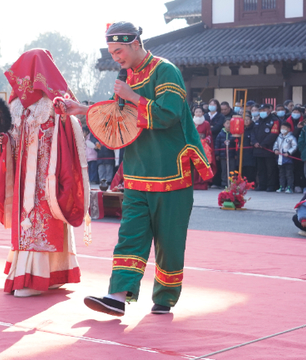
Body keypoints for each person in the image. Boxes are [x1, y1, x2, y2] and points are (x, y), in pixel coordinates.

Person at [66, 22, 212, 316]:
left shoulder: (165, 70)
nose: (115, 57)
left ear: (135, 43)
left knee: (169, 241)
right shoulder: (127, 77)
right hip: (135, 171)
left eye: (118, 50)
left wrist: (132, 96)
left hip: (170, 171)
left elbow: (169, 114)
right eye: (111, 52)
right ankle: (118, 296)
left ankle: (165, 297)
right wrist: (83, 110)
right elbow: (120, 116)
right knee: (130, 235)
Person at [0, 49, 89, 298]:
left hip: (48, 174)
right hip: (22, 176)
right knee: (28, 220)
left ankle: (38, 278)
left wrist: (63, 120)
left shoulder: (56, 102)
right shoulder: (14, 105)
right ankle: (39, 273)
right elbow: (12, 139)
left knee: (45, 217)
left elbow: (70, 135)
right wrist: (1, 141)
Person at [253, 103, 279, 192]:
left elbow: (274, 134)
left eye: (264, 110)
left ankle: (271, 186)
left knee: (270, 169)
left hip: (268, 149)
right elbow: (253, 133)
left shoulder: (274, 120)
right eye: (261, 110)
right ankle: (262, 185)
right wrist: (255, 142)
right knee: (260, 169)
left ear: (269, 110)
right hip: (257, 149)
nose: (262, 112)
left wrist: (263, 144)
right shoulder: (258, 121)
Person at [193, 106, 215, 190]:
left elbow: (209, 134)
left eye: (200, 111)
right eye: (196, 112)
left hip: (203, 147)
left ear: (203, 113)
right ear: (194, 113)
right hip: (194, 146)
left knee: (203, 164)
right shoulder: (191, 122)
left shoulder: (206, 123)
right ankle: (194, 183)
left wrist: (205, 140)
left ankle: (203, 183)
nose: (198, 113)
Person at [273, 122, 297, 193]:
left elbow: (294, 146)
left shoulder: (291, 137)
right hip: (280, 159)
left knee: (289, 174)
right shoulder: (279, 137)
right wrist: (275, 150)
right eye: (282, 128)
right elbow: (275, 144)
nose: (283, 129)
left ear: (289, 129)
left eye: (285, 128)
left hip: (288, 159)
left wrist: (289, 152)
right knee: (281, 174)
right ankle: (281, 186)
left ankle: (289, 187)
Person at [215, 117, 239, 188]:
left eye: (230, 123)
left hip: (231, 155)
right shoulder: (220, 134)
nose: (229, 125)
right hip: (223, 155)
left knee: (232, 169)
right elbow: (217, 144)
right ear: (224, 124)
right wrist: (217, 154)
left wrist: (235, 154)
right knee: (224, 170)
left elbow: (236, 145)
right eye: (227, 123)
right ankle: (224, 183)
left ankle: (232, 182)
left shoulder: (234, 134)